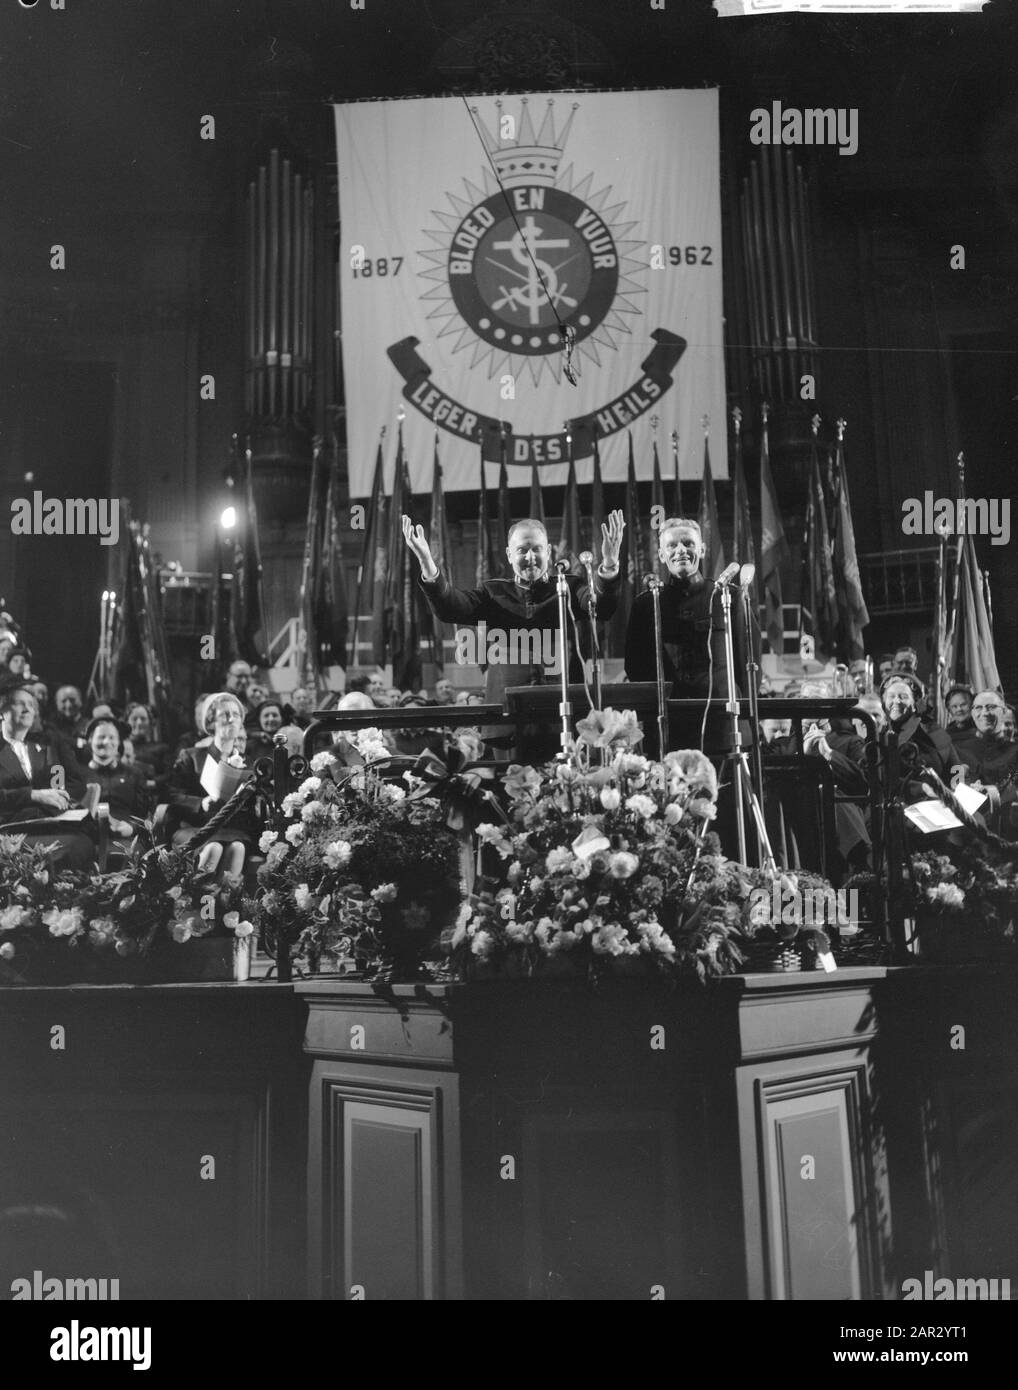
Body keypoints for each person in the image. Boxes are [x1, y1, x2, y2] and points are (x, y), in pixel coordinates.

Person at [406, 510, 624, 707]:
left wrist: (609, 565)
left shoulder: (569, 587)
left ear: (548, 551)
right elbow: (451, 607)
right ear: (510, 555)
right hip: (508, 709)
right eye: (522, 550)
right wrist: (428, 565)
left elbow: (602, 607)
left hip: (564, 704)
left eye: (536, 549)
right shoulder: (492, 593)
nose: (530, 558)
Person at [0, 687, 95, 869]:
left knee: (80, 846)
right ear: (2, 711)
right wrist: (33, 795)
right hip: (11, 831)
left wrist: (59, 796)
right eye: (20, 704)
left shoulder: (48, 743)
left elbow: (75, 781)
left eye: (31, 705)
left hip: (54, 822)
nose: (28, 709)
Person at [168, 692, 259, 877]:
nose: (231, 719)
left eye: (236, 714)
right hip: (196, 828)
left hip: (234, 829)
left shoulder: (248, 763)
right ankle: (199, 900)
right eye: (224, 714)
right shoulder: (191, 756)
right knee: (214, 848)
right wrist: (201, 803)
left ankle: (225, 902)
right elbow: (173, 796)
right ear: (210, 723)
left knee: (238, 848)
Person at [954, 690, 1018, 836]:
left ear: (1003, 712)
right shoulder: (958, 749)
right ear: (972, 713)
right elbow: (953, 788)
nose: (984, 713)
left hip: (1008, 834)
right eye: (978, 708)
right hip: (968, 834)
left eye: (991, 707)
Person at [83, 717, 150, 840]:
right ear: (90, 740)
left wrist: (132, 828)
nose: (107, 742)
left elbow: (146, 815)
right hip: (88, 839)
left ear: (119, 742)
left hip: (126, 840)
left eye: (112, 737)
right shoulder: (79, 774)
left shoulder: (133, 774)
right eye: (101, 737)